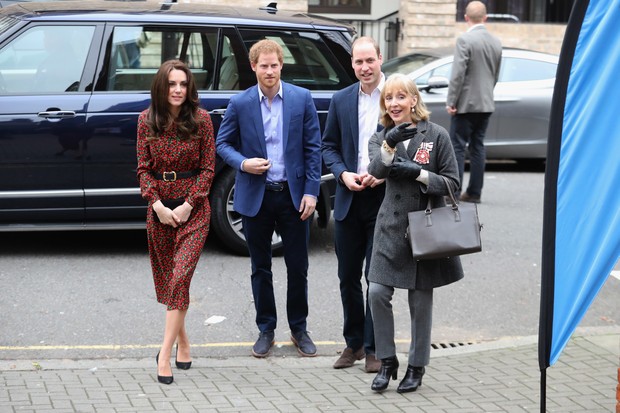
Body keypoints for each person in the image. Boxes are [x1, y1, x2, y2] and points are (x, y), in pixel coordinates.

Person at [216, 39, 322, 358]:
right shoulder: (241, 103)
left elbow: (313, 149)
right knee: (260, 267)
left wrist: (311, 192)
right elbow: (223, 144)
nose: (270, 71)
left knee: (298, 267)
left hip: (292, 196)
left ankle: (299, 329)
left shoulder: (302, 99)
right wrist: (243, 163)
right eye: (263, 65)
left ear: (281, 65)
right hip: (256, 198)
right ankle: (266, 329)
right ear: (253, 67)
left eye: (274, 65)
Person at [366, 73, 464, 393]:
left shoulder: (436, 135)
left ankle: (417, 366)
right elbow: (377, 171)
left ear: (413, 100)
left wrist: (420, 174)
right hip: (390, 228)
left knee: (420, 302)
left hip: (424, 229)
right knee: (377, 293)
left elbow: (453, 185)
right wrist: (390, 144)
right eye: (389, 98)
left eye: (400, 97)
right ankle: (387, 361)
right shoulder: (381, 137)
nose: (394, 103)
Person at [136, 59, 215, 385]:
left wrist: (187, 205)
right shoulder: (145, 121)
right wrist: (156, 205)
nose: (178, 90)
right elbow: (142, 169)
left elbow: (209, 169)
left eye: (183, 84)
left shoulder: (202, 120)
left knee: (179, 278)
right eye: (172, 84)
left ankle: (164, 354)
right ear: (161, 86)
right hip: (159, 210)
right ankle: (183, 342)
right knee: (171, 285)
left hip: (193, 211)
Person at [321, 36, 385, 373]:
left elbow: (413, 145)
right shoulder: (342, 99)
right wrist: (343, 174)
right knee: (347, 276)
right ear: (351, 64)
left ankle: (375, 348)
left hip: (383, 201)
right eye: (358, 62)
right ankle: (355, 344)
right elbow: (328, 146)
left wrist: (384, 174)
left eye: (369, 61)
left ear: (380, 58)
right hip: (348, 197)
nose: (364, 68)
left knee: (375, 277)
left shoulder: (396, 95)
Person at [446, 0, 502, 203]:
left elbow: (458, 74)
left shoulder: (465, 40)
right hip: (486, 103)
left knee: (458, 147)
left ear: (466, 18)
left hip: (466, 104)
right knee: (478, 147)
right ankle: (475, 193)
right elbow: (495, 74)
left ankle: (454, 192)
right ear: (485, 18)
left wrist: (452, 100)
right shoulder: (496, 41)